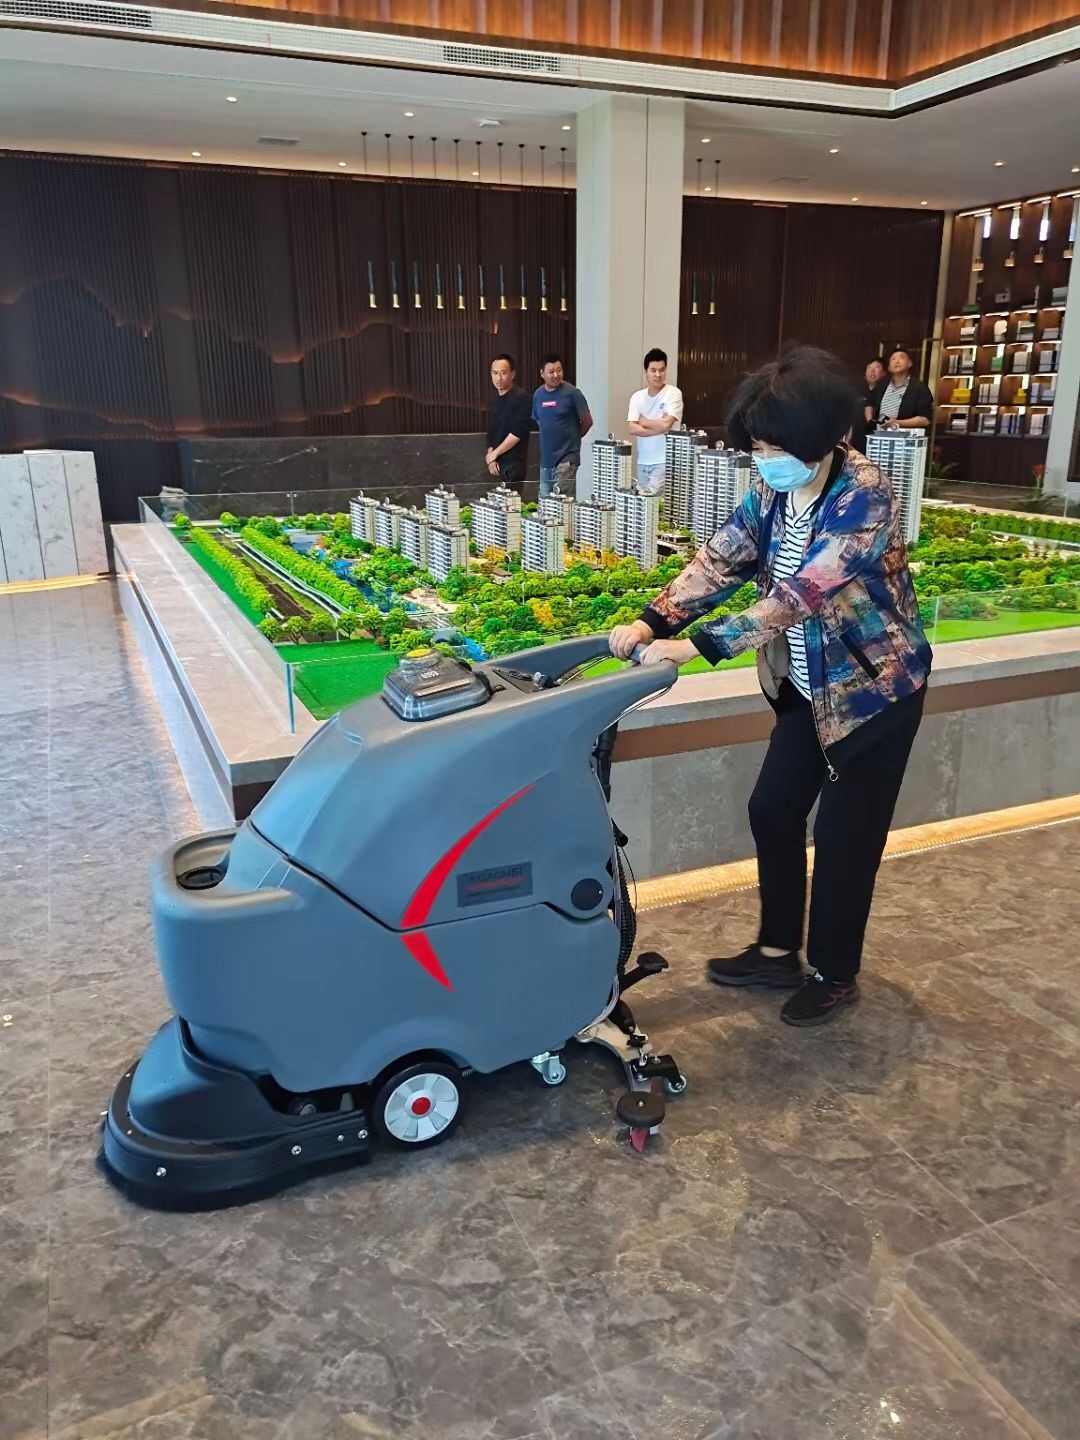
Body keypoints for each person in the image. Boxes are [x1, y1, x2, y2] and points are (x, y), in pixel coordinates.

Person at [609, 347, 932, 1028]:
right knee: (774, 811)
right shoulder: (773, 489)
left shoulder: (864, 495)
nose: (763, 459)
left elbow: (802, 594)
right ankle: (778, 951)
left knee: (844, 840)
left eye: (773, 446)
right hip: (805, 691)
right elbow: (723, 557)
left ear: (820, 437)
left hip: (873, 695)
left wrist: (698, 645)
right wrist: (652, 619)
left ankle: (835, 973)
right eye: (756, 446)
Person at [532, 353, 593, 498]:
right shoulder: (538, 395)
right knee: (545, 504)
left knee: (561, 503)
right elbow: (539, 421)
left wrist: (573, 439)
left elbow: (588, 421)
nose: (556, 375)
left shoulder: (572, 393)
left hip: (566, 459)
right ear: (542, 373)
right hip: (546, 461)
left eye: (559, 370)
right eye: (551, 371)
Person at [627, 348, 684, 493]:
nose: (658, 375)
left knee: (657, 503)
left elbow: (666, 424)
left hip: (665, 461)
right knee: (643, 503)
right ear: (646, 372)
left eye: (662, 370)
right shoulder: (637, 397)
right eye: (653, 370)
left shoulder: (673, 393)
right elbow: (632, 428)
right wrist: (660, 427)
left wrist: (644, 421)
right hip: (642, 462)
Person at [485, 354, 532, 492]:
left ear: (512, 374)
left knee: (512, 504)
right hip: (498, 464)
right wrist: (491, 456)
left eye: (503, 373)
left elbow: (518, 432)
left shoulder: (521, 398)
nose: (499, 378)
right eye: (495, 373)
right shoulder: (495, 401)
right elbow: (492, 432)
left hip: (513, 465)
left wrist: (495, 454)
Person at [869, 348, 933, 431]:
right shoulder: (881, 385)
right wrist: (870, 421)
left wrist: (897, 422)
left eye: (901, 357)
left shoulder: (919, 388)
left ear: (909, 363)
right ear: (889, 367)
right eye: (893, 359)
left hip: (905, 436)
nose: (897, 361)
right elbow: (869, 403)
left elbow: (925, 420)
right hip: (879, 435)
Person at [850, 357, 885, 453]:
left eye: (877, 367)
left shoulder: (885, 394)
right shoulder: (858, 391)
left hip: (876, 441)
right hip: (856, 440)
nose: (872, 371)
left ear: (884, 373)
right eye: (869, 367)